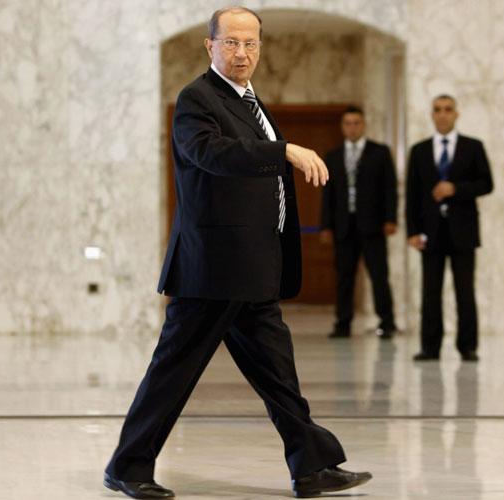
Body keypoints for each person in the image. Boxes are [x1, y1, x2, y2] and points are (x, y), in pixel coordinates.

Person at [103, 7, 372, 499]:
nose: (241, 52)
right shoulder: (197, 99)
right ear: (210, 46)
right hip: (211, 269)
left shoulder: (249, 101)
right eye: (231, 42)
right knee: (173, 374)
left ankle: (312, 467)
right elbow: (211, 153)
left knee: (279, 375)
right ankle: (127, 467)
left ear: (260, 49)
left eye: (250, 44)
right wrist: (284, 150)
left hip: (252, 268)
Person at [405, 94, 494, 362]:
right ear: (432, 115)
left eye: (447, 109)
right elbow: (412, 194)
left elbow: (486, 184)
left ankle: (468, 346)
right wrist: (412, 231)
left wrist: (456, 188)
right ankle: (430, 347)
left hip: (463, 231)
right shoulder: (419, 151)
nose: (442, 114)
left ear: (456, 114)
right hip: (430, 232)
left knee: (465, 291)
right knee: (430, 292)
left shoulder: (473, 147)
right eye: (437, 110)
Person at [320, 106, 398, 339]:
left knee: (379, 275)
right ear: (342, 127)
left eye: (356, 123)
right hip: (344, 226)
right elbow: (328, 195)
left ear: (363, 125)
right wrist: (326, 225)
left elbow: (390, 188)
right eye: (348, 123)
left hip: (373, 225)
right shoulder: (333, 156)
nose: (352, 127)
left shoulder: (380, 152)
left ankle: (387, 322)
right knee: (344, 277)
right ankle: (342, 324)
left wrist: (391, 218)